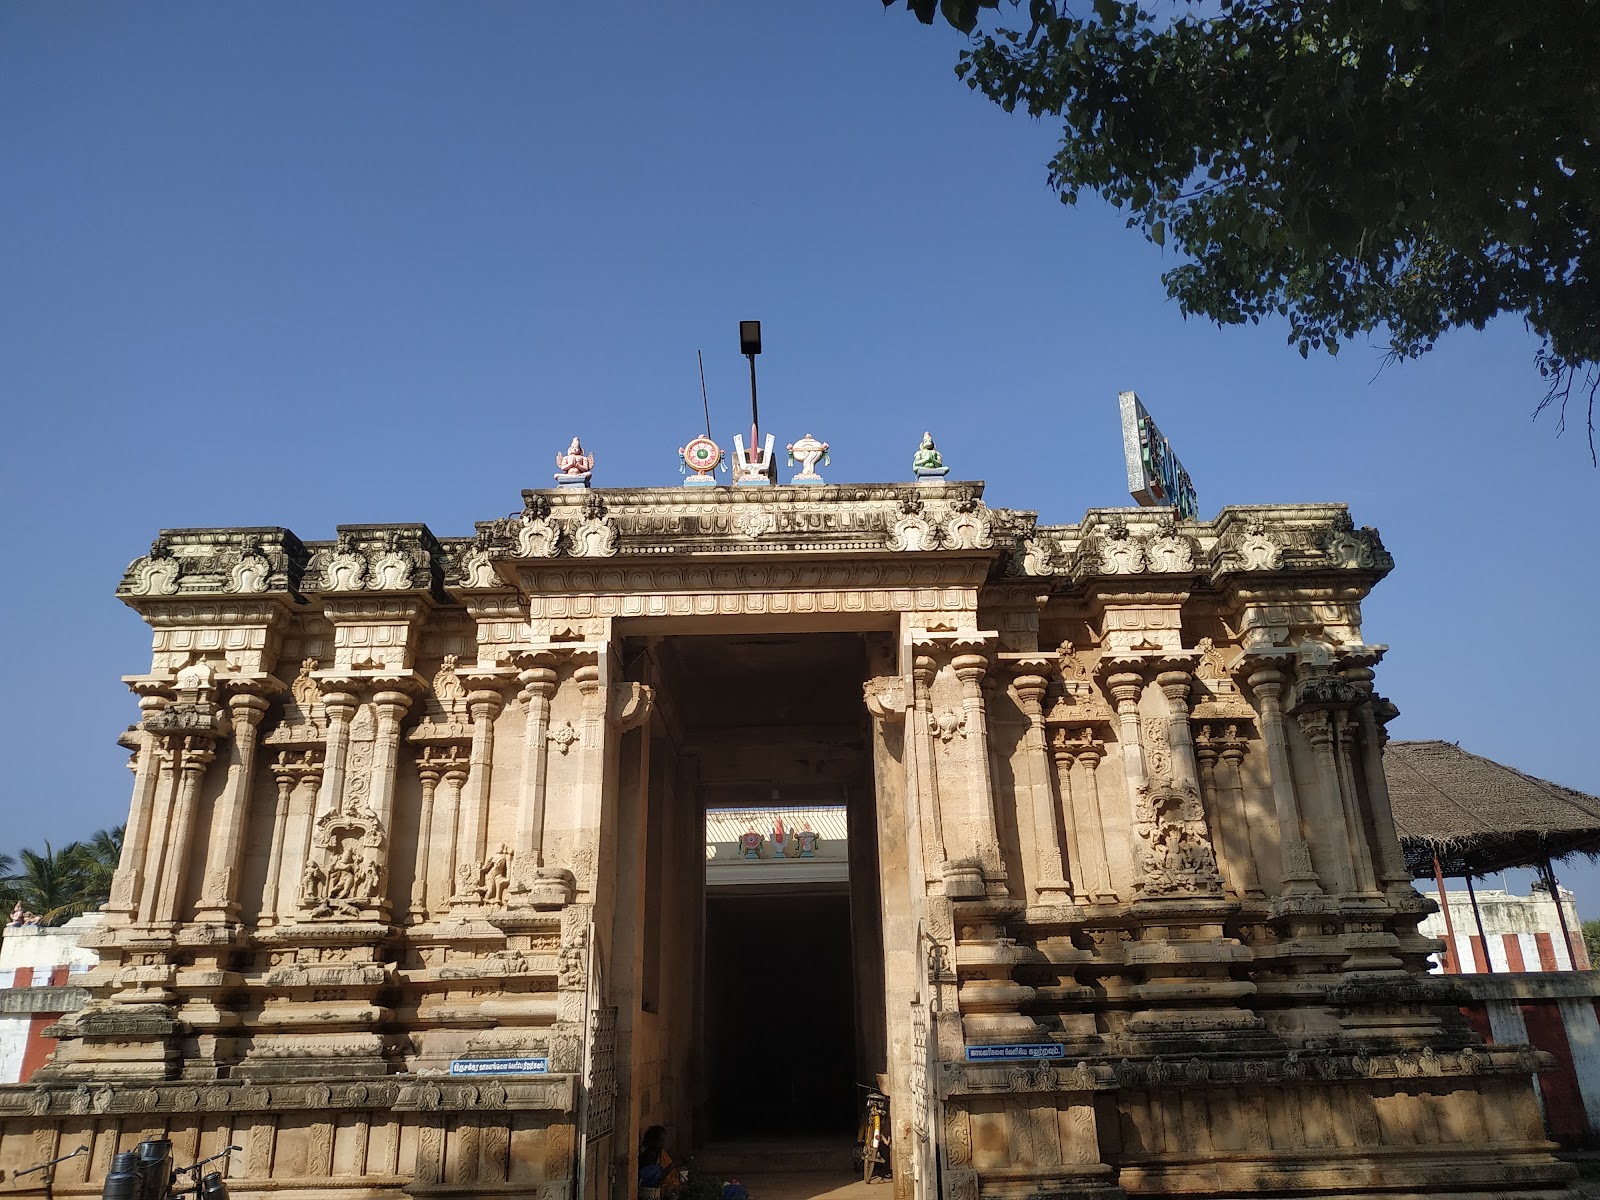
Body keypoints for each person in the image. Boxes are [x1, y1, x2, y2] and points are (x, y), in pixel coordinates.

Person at [637, 1125, 683, 1200]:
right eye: (661, 1140)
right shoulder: (651, 1154)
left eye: (663, 1140)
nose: (663, 1143)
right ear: (654, 1141)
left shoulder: (658, 1152)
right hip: (648, 1191)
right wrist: (671, 1166)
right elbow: (655, 1178)